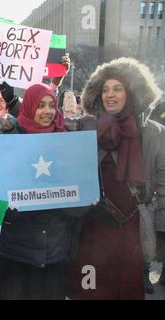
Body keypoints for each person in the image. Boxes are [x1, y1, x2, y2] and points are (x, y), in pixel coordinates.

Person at [66, 57, 164, 299]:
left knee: (125, 290)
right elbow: (46, 126)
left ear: (130, 92)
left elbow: (163, 181)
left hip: (131, 231)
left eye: (117, 88)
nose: (110, 95)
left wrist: (155, 219)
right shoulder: (84, 126)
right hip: (92, 228)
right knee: (89, 291)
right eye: (105, 89)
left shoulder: (153, 132)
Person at [0, 83, 85, 300]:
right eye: (41, 105)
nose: (47, 111)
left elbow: (77, 200)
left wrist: (84, 199)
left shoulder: (68, 142)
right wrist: (16, 205)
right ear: (30, 107)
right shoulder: (9, 141)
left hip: (52, 252)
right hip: (15, 252)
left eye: (51, 105)